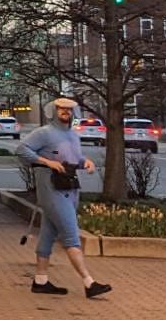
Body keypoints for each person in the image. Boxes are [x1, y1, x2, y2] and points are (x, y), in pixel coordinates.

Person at [17, 96, 110, 299]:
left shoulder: (73, 135)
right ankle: (89, 282)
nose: (65, 112)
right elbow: (22, 150)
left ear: (74, 112)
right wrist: (47, 162)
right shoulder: (44, 133)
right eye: (61, 109)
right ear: (54, 110)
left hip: (69, 187)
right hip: (51, 188)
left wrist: (86, 162)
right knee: (71, 234)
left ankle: (40, 281)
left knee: (48, 234)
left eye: (69, 109)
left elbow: (75, 158)